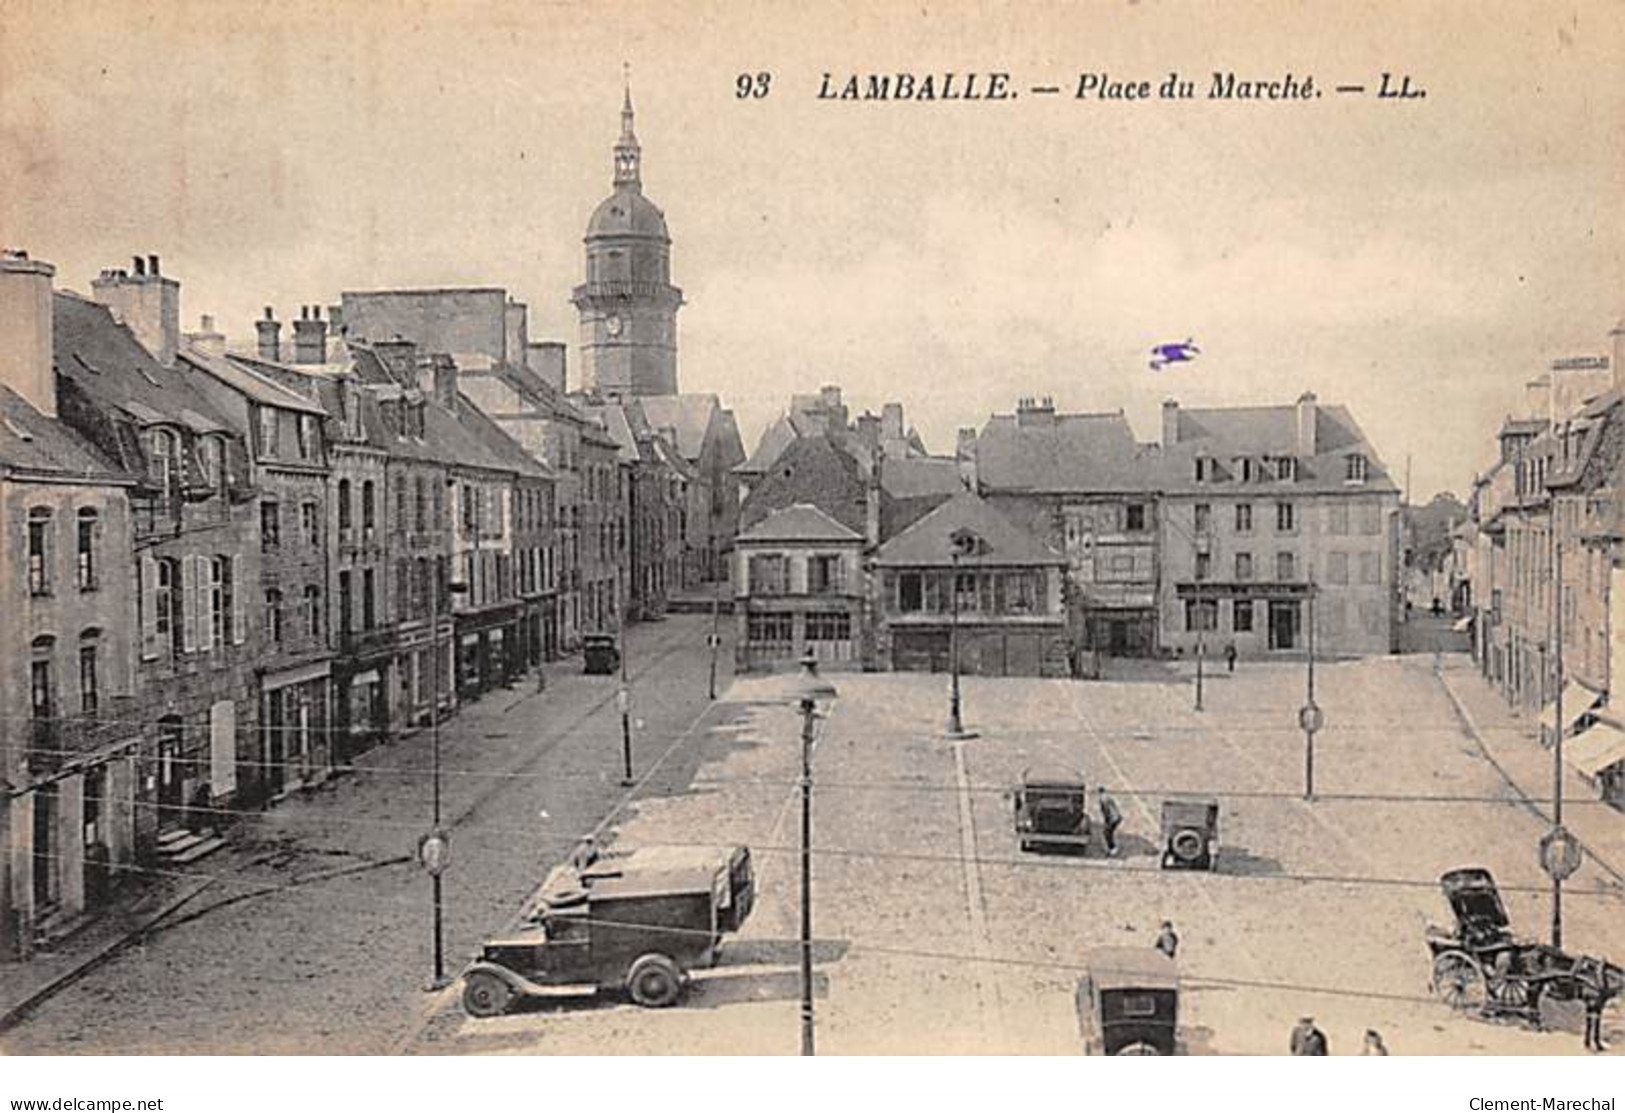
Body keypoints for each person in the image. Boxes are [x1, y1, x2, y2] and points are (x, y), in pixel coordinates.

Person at [1098, 786, 1123, 857]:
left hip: (1113, 818)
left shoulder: (1102, 799)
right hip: (1117, 817)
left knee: (1107, 833)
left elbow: (1106, 811)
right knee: (1109, 833)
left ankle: (1112, 849)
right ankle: (1112, 848)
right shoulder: (1108, 797)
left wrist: (1106, 821)